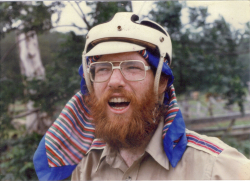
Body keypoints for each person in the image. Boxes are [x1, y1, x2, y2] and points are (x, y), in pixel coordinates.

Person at [33, 12, 250, 180]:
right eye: (102, 69)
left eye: (133, 67)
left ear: (162, 82)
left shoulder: (216, 169)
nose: (114, 81)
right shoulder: (83, 166)